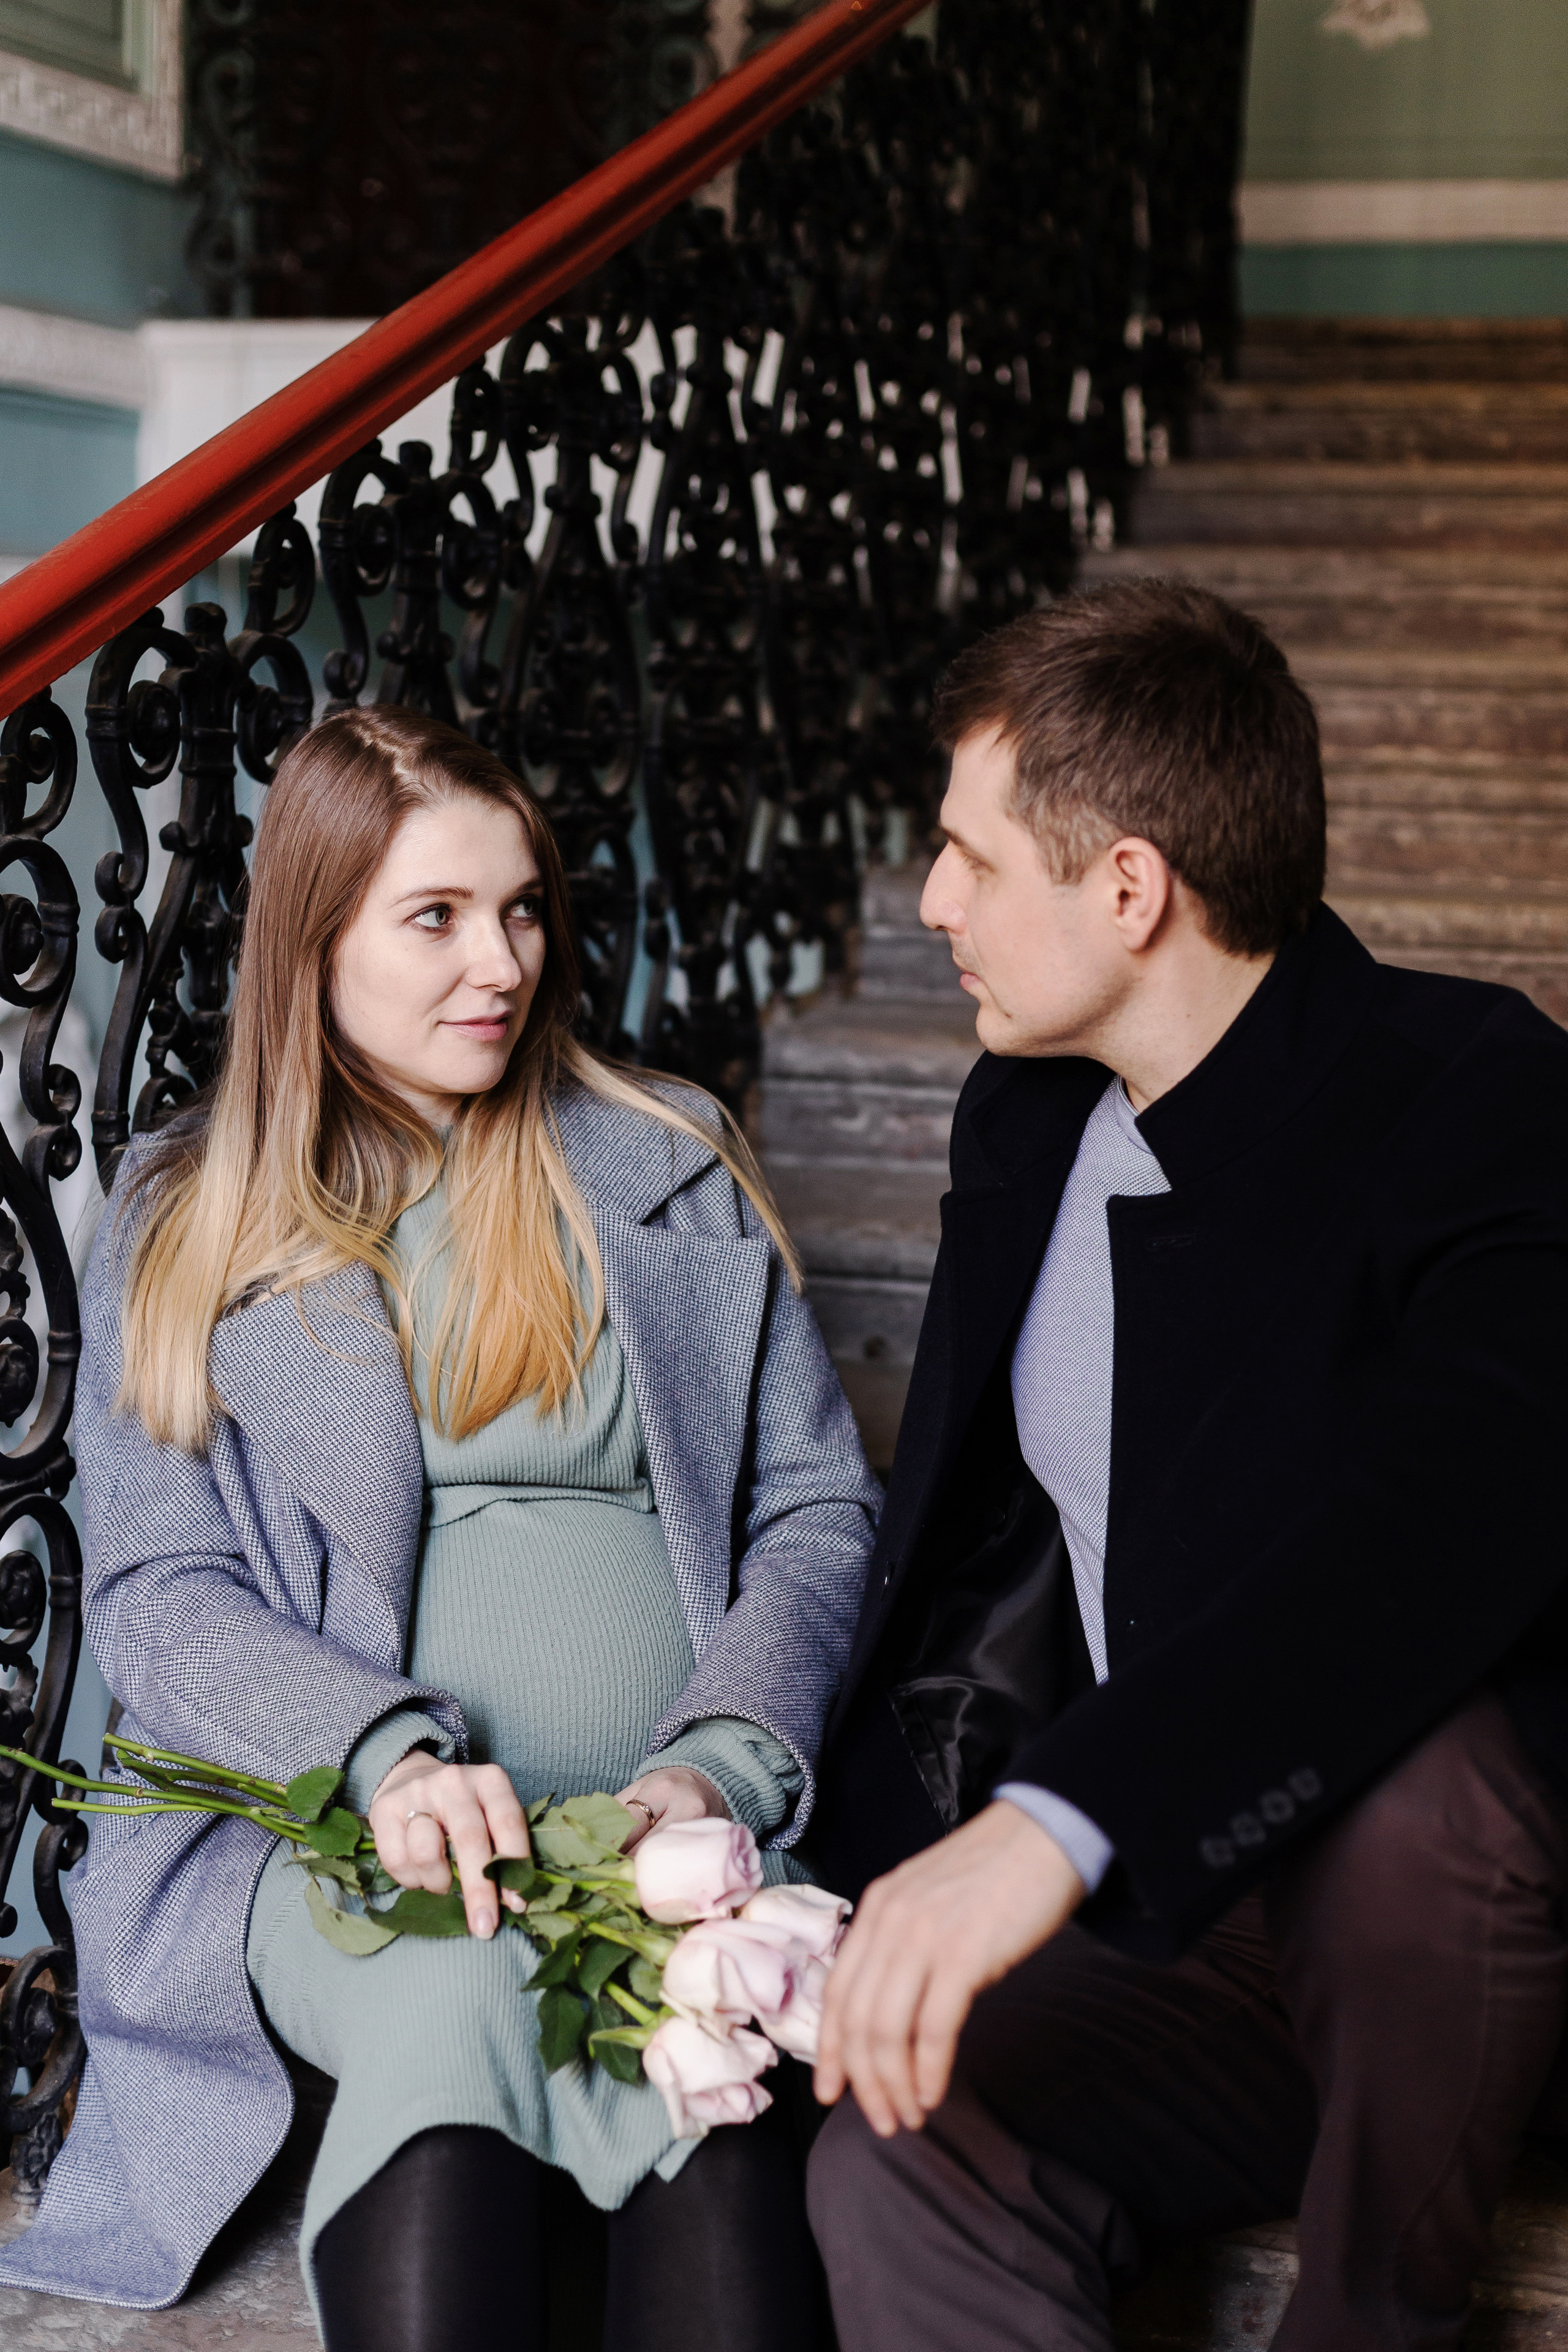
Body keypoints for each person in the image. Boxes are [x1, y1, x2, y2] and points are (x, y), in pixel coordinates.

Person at [0, 707, 877, 2350]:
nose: (503, 962)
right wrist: (384, 1757)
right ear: (313, 938)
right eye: (437, 917)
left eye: (525, 906)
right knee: (463, 1975)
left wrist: (723, 1771)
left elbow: (821, 1513)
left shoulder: (664, 1159)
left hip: (676, 1841)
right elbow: (161, 1591)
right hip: (333, 1837)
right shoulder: (194, 1219)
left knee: (719, 2109)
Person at [804, 579, 1568, 2352]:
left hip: (1466, 1944)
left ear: (1130, 887)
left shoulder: (1482, 1093)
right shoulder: (1032, 1107)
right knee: (897, 2149)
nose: (930, 905)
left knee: (1416, 1778)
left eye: (971, 859)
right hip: (1206, 1927)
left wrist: (1059, 1824)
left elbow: (1437, 1532)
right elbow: (963, 1546)